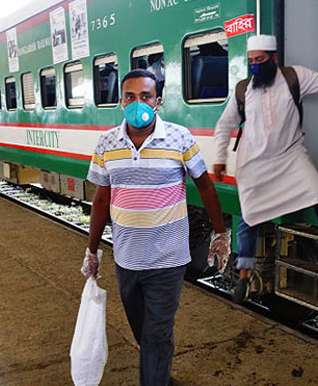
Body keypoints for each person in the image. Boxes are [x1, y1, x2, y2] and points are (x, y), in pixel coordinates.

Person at [84, 69, 230, 386]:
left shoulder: (179, 137)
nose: (138, 103)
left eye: (145, 96)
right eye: (131, 97)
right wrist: (91, 250)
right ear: (121, 101)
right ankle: (159, 372)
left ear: (158, 101)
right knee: (144, 333)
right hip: (127, 260)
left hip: (168, 261)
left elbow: (205, 185)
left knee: (156, 335)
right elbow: (100, 201)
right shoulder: (107, 143)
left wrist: (219, 232)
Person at [213, 34, 318, 303]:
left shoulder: (294, 77)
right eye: (251, 61)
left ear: (273, 58)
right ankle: (243, 276)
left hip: (289, 156)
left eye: (260, 60)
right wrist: (219, 158)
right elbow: (225, 124)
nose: (255, 66)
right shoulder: (243, 89)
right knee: (248, 219)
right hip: (253, 163)